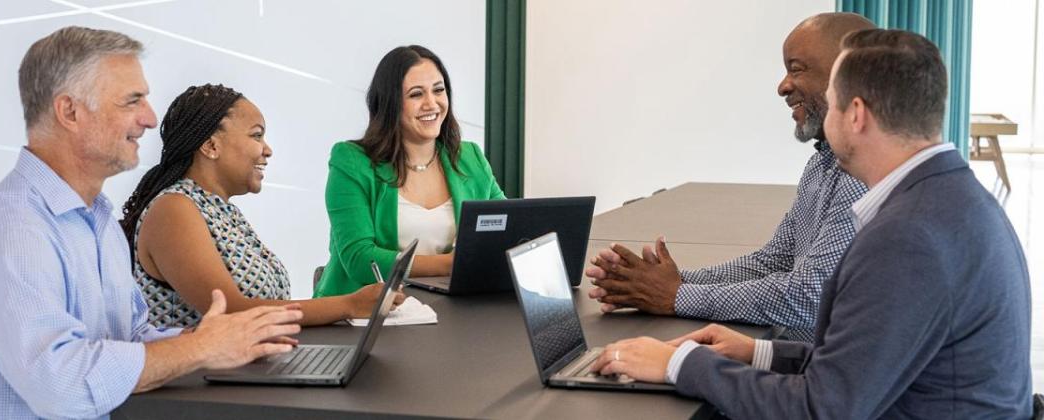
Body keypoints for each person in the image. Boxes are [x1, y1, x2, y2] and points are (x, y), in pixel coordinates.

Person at [589, 29, 1033, 418]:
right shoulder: (953, 199)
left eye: (835, 103)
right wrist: (759, 352)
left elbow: (822, 409)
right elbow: (867, 363)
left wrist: (678, 364)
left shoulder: (907, 237)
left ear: (856, 114)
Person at [0, 27, 303, 419]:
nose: (149, 118)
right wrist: (200, 350)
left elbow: (129, 337)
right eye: (132, 101)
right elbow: (63, 387)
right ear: (70, 111)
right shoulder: (15, 233)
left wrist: (212, 339)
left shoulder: (97, 220)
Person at [587, 13, 874, 342]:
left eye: (795, 69)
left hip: (809, 376)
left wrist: (676, 296)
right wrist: (671, 282)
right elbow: (771, 263)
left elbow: (809, 298)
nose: (783, 86)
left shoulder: (859, 176)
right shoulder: (821, 165)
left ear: (845, 76)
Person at [120, 84, 404, 327]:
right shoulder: (173, 210)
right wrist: (349, 304)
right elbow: (230, 312)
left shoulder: (220, 210)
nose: (267, 149)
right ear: (211, 146)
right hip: (201, 386)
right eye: (256, 135)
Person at [314, 45, 505, 297]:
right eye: (416, 95)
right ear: (390, 103)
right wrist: (451, 263)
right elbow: (360, 260)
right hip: (364, 316)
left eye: (439, 90)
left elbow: (507, 229)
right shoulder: (351, 161)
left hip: (450, 313)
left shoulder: (470, 158)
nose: (432, 103)